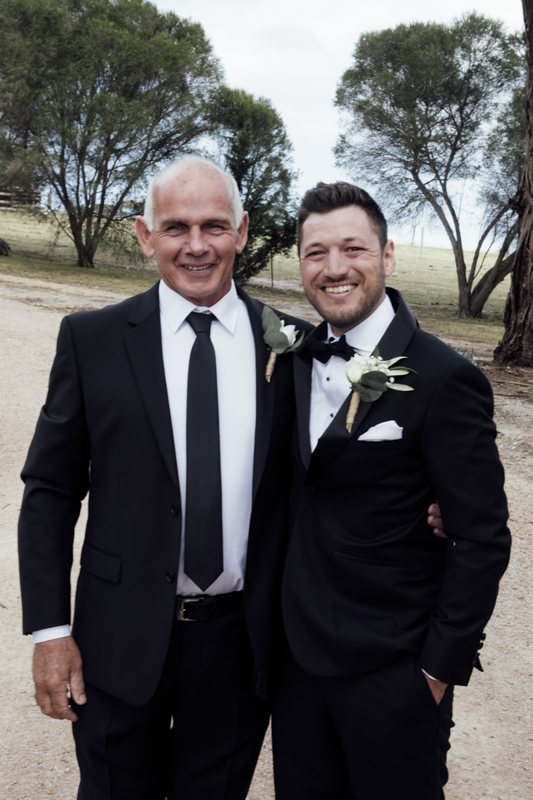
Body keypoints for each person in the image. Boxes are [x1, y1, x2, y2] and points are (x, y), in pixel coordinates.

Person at [17, 155, 313, 800]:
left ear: (240, 231)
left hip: (242, 643)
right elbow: (50, 491)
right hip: (115, 640)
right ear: (145, 236)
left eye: (214, 226)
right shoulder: (91, 340)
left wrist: (423, 502)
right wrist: (50, 632)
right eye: (176, 227)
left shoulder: (293, 347)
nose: (197, 246)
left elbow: (337, 470)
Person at [273, 181, 511, 800]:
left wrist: (436, 669)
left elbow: (482, 537)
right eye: (315, 252)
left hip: (393, 669)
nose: (334, 268)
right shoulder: (291, 360)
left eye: (353, 248)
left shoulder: (446, 378)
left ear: (387, 255)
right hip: (295, 665)